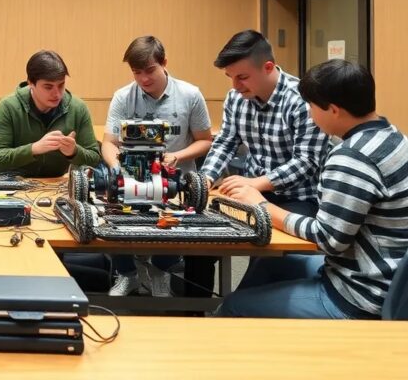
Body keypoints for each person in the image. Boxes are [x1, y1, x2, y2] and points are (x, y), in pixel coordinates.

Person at [218, 60, 408, 319]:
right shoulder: (394, 137)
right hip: (391, 280)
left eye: (311, 107)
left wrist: (261, 206)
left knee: (234, 305)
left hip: (360, 295)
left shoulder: (351, 158)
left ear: (333, 110)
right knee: (270, 263)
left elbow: (328, 240)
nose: (309, 114)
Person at [190, 30, 331, 296]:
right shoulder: (236, 98)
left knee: (267, 257)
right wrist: (206, 178)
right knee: (198, 237)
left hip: (297, 198)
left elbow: (307, 162)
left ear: (268, 67)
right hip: (250, 191)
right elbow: (225, 142)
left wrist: (256, 184)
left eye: (242, 77)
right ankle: (193, 312)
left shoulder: (301, 100)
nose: (235, 86)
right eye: (230, 77)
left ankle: (241, 308)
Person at [102, 36, 213, 298]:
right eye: (136, 72)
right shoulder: (123, 97)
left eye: (149, 70)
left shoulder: (190, 95)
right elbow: (109, 143)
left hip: (174, 181)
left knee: (177, 219)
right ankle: (127, 274)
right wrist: (117, 165)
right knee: (110, 213)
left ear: (164, 63)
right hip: (133, 176)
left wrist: (176, 156)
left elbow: (205, 140)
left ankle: (160, 271)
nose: (143, 79)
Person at [0, 50, 100, 177]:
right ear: (31, 83)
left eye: (61, 85)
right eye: (48, 87)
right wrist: (33, 149)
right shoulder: (8, 107)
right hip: (10, 184)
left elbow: (94, 158)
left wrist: (74, 152)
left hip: (54, 185)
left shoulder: (78, 108)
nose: (57, 94)